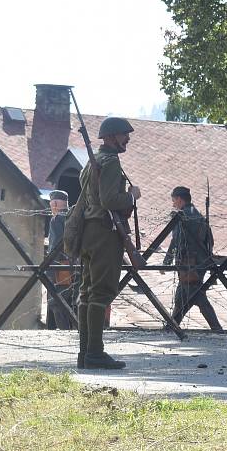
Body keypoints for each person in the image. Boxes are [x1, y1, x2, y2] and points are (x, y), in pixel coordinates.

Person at [77, 117, 140, 370]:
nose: (128, 138)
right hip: (105, 233)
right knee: (101, 293)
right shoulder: (111, 162)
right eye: (125, 134)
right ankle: (95, 353)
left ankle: (86, 353)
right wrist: (131, 196)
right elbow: (110, 200)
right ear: (112, 136)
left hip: (88, 233)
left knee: (87, 293)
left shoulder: (92, 163)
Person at [164, 186, 223, 332]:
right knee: (182, 296)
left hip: (189, 263)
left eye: (174, 200)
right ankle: (171, 326)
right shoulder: (197, 215)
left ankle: (217, 329)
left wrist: (168, 259)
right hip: (199, 262)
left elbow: (176, 240)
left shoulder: (182, 216)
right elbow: (209, 240)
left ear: (179, 199)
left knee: (196, 296)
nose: (173, 204)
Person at [47, 189, 74, 329]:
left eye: (51, 204)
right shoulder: (73, 216)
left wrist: (48, 266)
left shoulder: (57, 219)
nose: (51, 208)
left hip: (60, 266)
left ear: (56, 203)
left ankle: (65, 332)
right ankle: (76, 330)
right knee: (74, 301)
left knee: (56, 301)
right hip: (75, 264)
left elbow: (55, 245)